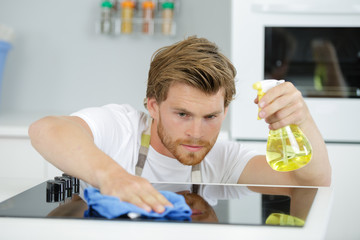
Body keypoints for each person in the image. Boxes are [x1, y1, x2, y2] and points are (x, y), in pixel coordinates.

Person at [29, 36, 331, 214]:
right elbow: (45, 129)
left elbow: (309, 183)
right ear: (153, 106)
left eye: (210, 117)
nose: (197, 134)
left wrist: (302, 119)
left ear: (224, 111)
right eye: (182, 114)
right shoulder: (122, 128)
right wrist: (113, 177)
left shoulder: (224, 159)